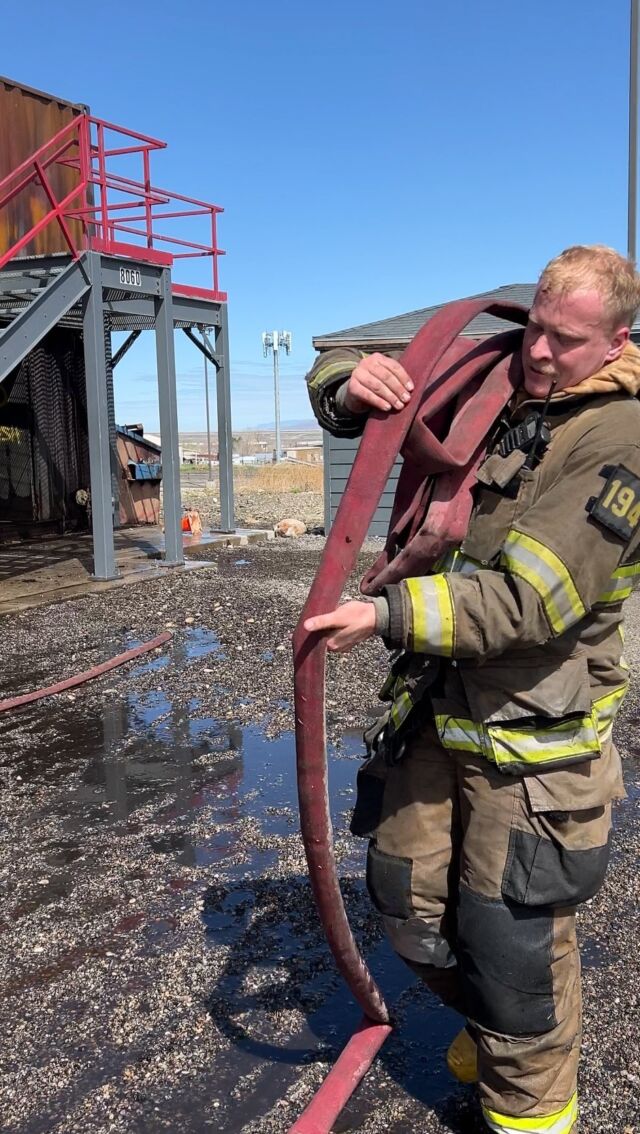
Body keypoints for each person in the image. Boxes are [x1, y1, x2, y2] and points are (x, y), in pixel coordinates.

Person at [303, 245, 640, 1134]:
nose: (540, 351)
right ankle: (493, 1029)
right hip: (439, 711)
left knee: (512, 945)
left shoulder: (620, 439)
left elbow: (534, 601)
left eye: (566, 341)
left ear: (616, 343)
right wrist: (353, 384)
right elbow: (343, 374)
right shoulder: (497, 381)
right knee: (406, 903)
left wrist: (386, 614)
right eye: (536, 327)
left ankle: (530, 1107)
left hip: (535, 744)